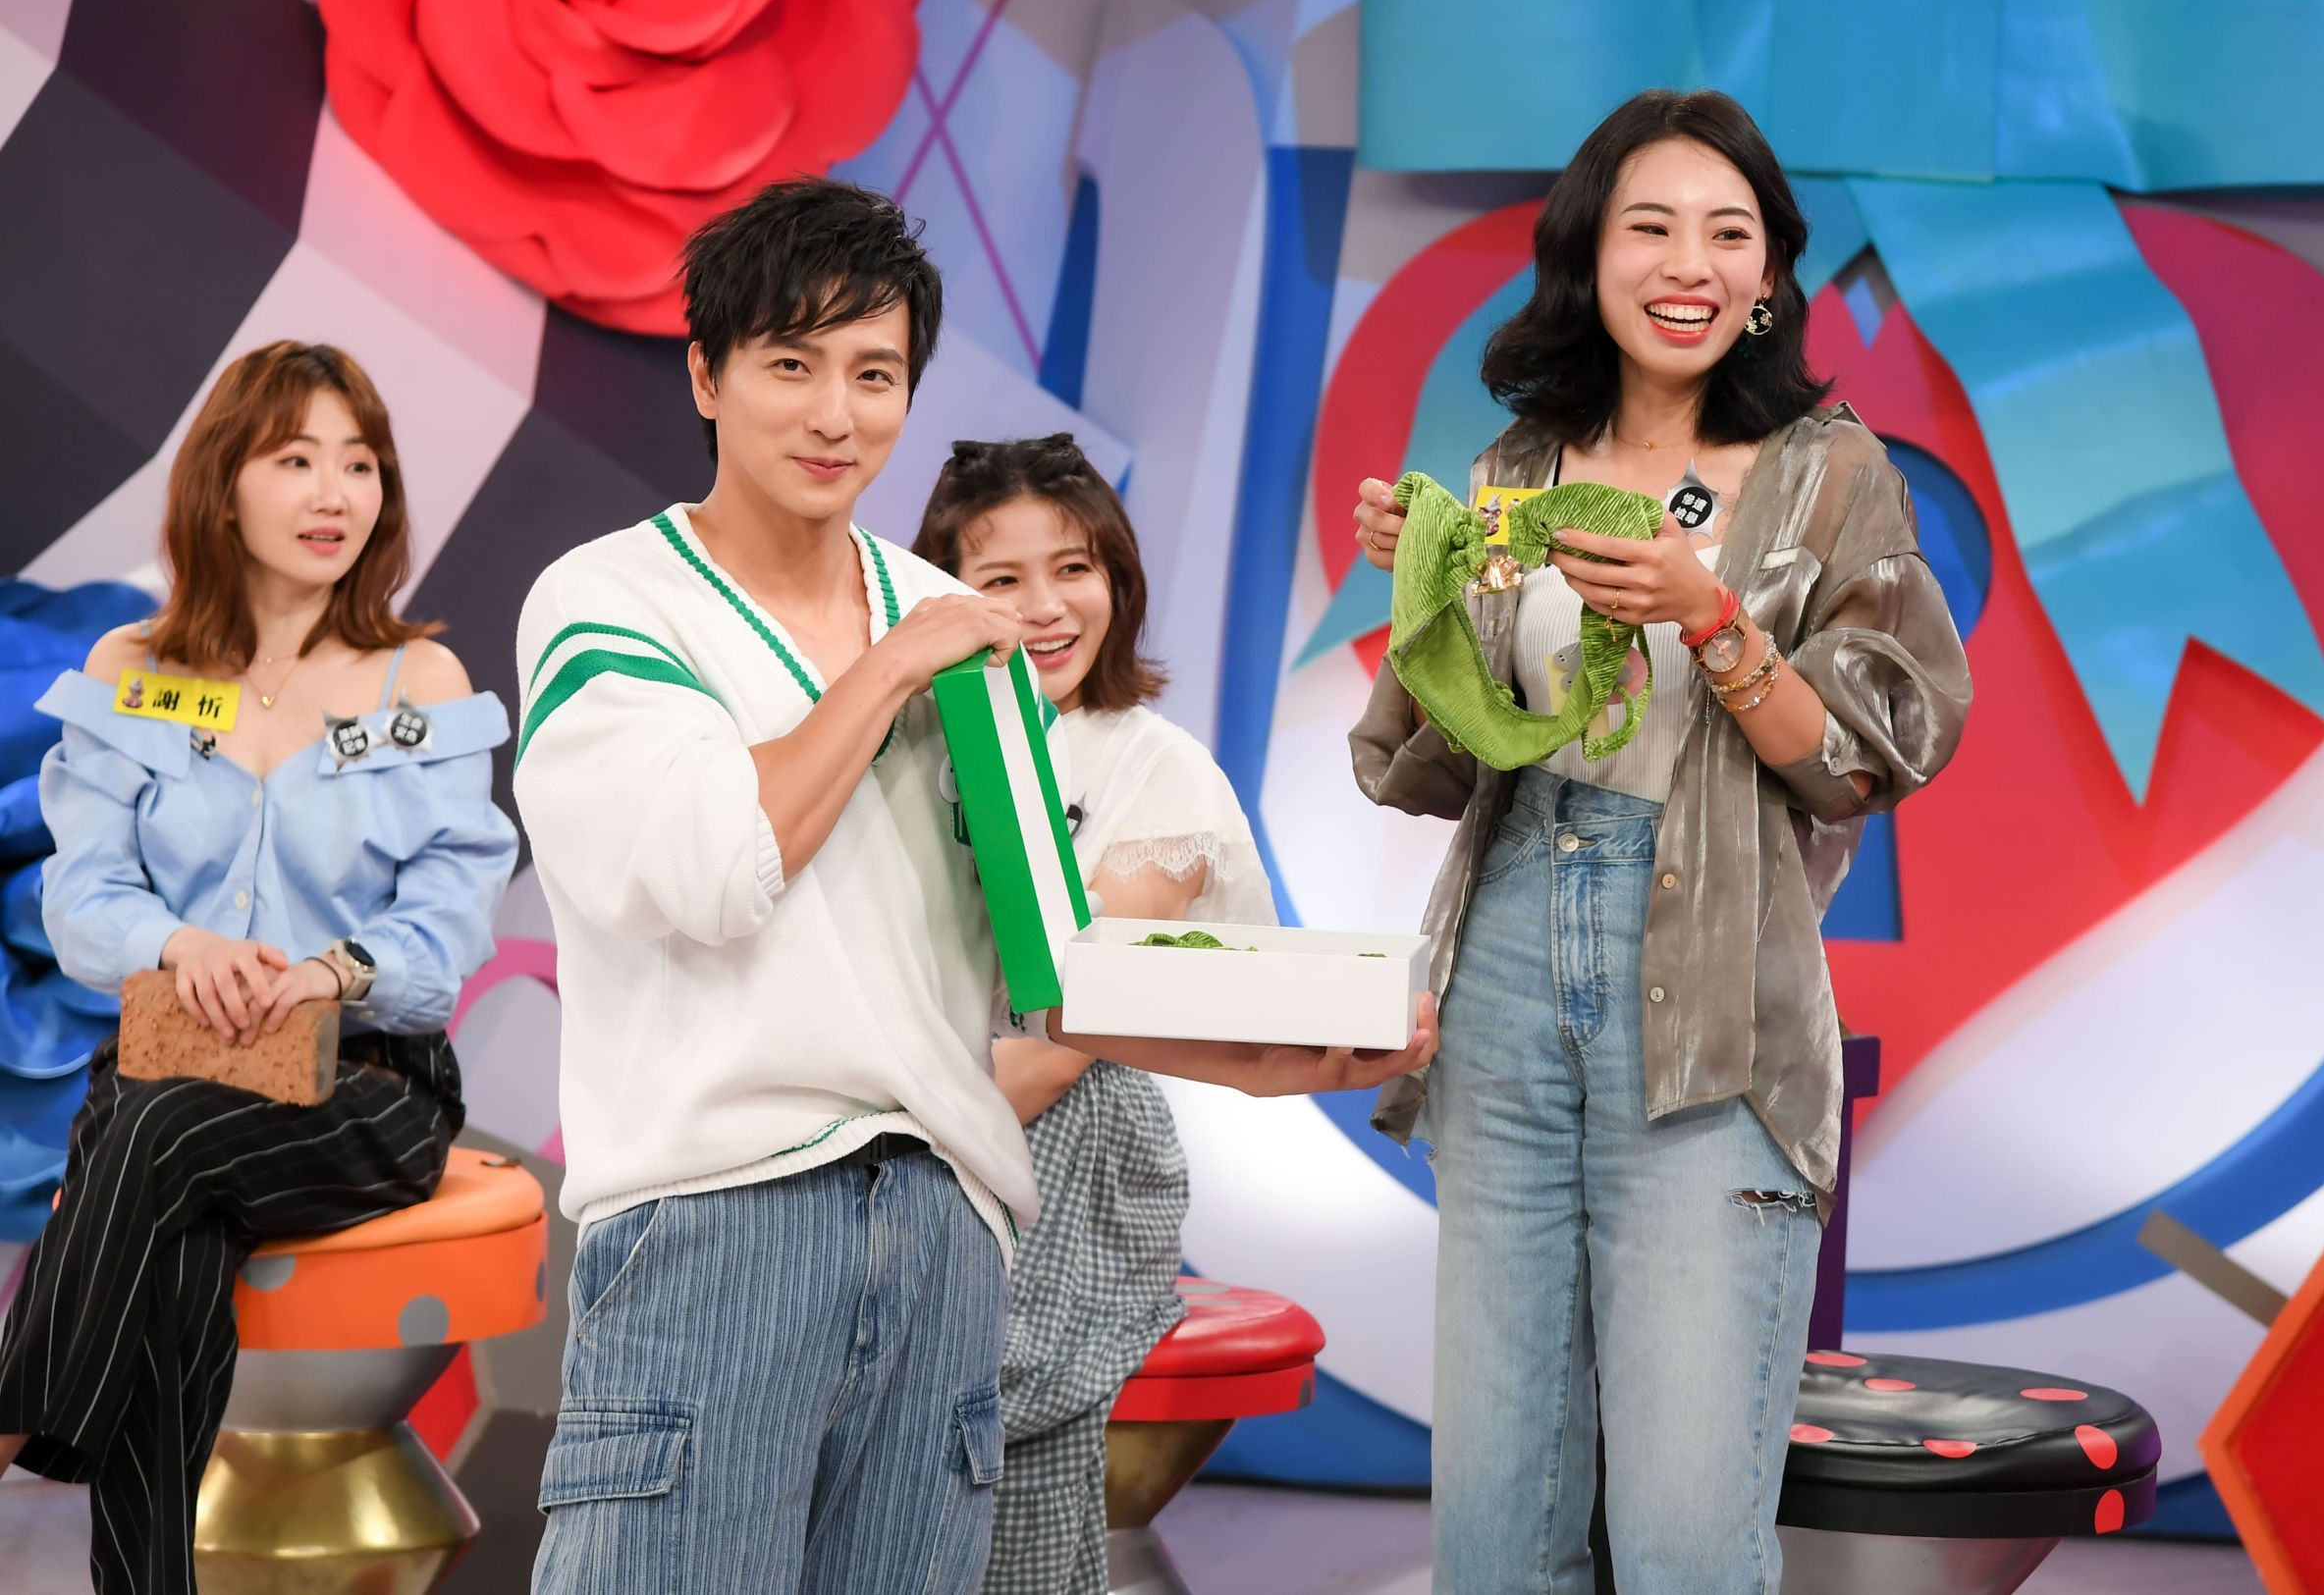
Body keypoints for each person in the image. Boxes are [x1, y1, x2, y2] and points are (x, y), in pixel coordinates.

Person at [514, 178, 1432, 1595]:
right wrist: (891, 667)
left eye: (875, 373)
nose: (836, 414)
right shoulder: (615, 600)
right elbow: (713, 867)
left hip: (949, 1229)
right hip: (721, 1219)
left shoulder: (948, 619)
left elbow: (1047, 968)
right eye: (791, 364)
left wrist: (1272, 1059)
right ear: (705, 375)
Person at [1348, 89, 1973, 1593]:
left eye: (1727, 233)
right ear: (1589, 256)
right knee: (1496, 1526)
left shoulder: (1830, 473)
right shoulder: (1518, 466)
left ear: (1768, 277)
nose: (1688, 262)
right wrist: (1427, 594)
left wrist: (1713, 617)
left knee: (1688, 1536)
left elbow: (1867, 757)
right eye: (1650, 226)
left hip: (1715, 1002)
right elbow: (1443, 767)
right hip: (1503, 965)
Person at [0, 341, 518, 1595]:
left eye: (361, 464)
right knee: (170, 1224)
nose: (336, 493)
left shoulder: (419, 680)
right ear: (223, 483)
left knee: (153, 1137)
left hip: (366, 1082)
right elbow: (83, 898)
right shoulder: (134, 672)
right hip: (173, 1066)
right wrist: (181, 944)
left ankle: (15, 1429)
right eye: (296, 460)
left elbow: (451, 918)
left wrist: (334, 971)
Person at [913, 433, 1276, 1595]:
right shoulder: (905, 746)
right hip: (913, 1109)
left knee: (977, 1377)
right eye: (1000, 578)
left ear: (1117, 579)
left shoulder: (1158, 767)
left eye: (1073, 568)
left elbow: (1067, 1030)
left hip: (1061, 1138)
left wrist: (888, 1133)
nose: (1044, 606)